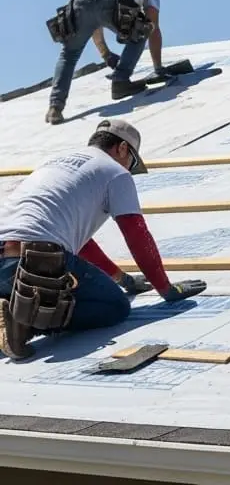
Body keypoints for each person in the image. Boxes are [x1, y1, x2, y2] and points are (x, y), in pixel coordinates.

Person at [0, 119, 206, 360]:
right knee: (114, 306)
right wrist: (166, 289)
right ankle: (22, 322)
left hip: (11, 260)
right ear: (122, 149)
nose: (130, 170)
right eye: (133, 163)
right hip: (32, 259)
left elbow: (80, 243)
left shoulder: (54, 163)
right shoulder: (115, 172)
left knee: (45, 277)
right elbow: (136, 234)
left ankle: (10, 313)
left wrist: (123, 278)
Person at [46, 0, 167, 125]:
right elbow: (153, 28)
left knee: (69, 54)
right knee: (142, 29)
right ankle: (121, 81)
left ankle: (55, 107)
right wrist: (158, 70)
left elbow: (95, 21)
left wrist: (106, 55)